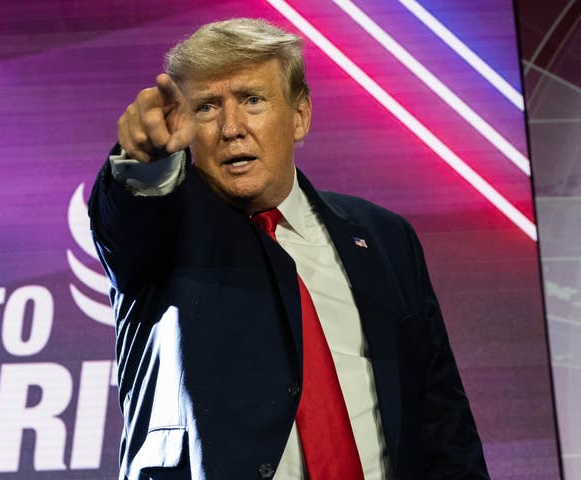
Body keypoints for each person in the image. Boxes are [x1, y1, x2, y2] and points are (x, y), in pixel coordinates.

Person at [89, 18, 489, 480]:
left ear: (300, 116)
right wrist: (142, 163)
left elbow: (442, 421)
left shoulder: (384, 239)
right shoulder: (165, 233)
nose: (231, 128)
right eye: (206, 108)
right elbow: (129, 219)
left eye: (253, 100)